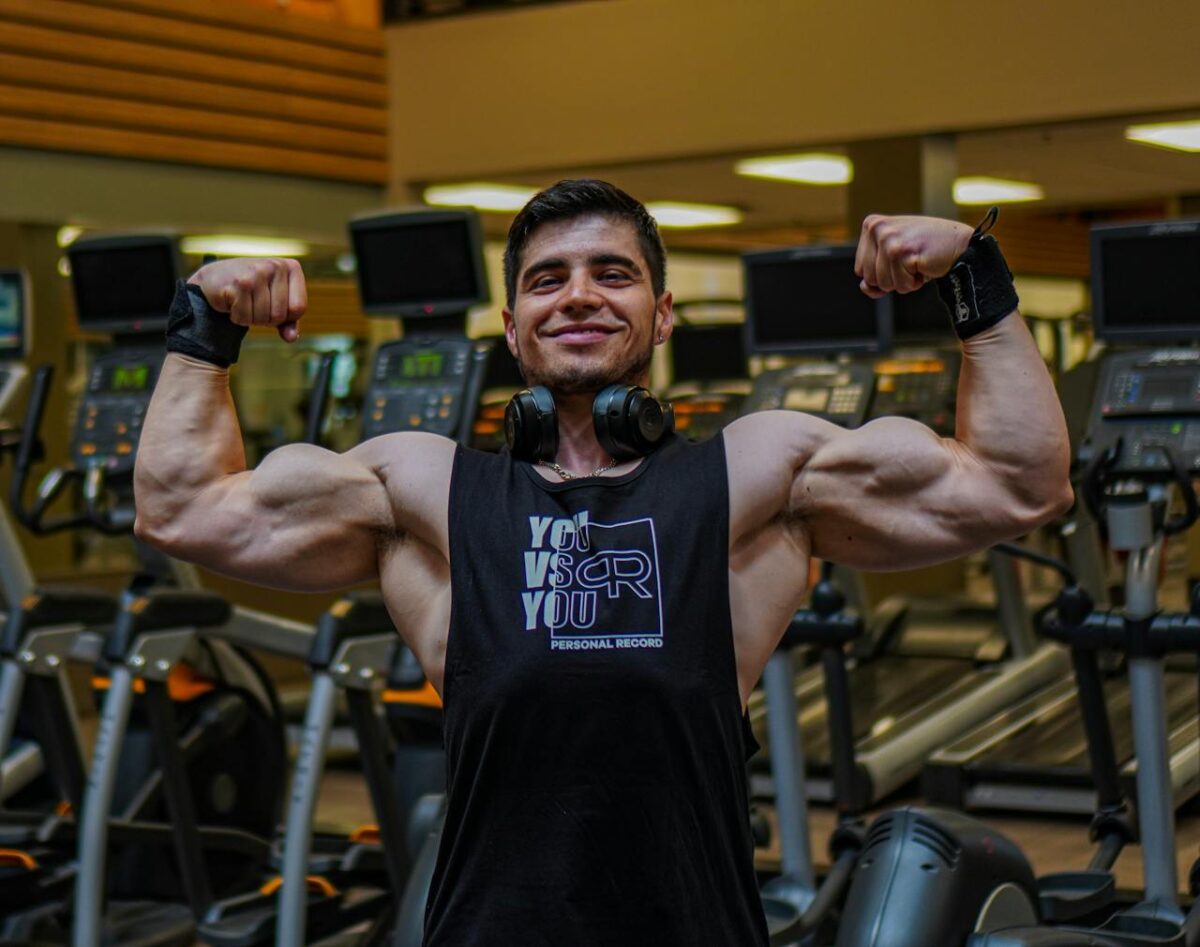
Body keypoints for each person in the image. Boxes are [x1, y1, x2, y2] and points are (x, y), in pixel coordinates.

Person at [134, 179, 1072, 945]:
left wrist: (974, 280)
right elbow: (182, 509)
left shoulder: (754, 476)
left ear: (661, 317)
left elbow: (1016, 485)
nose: (578, 294)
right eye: (548, 280)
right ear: (512, 328)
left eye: (611, 274)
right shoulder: (427, 491)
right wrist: (203, 328)